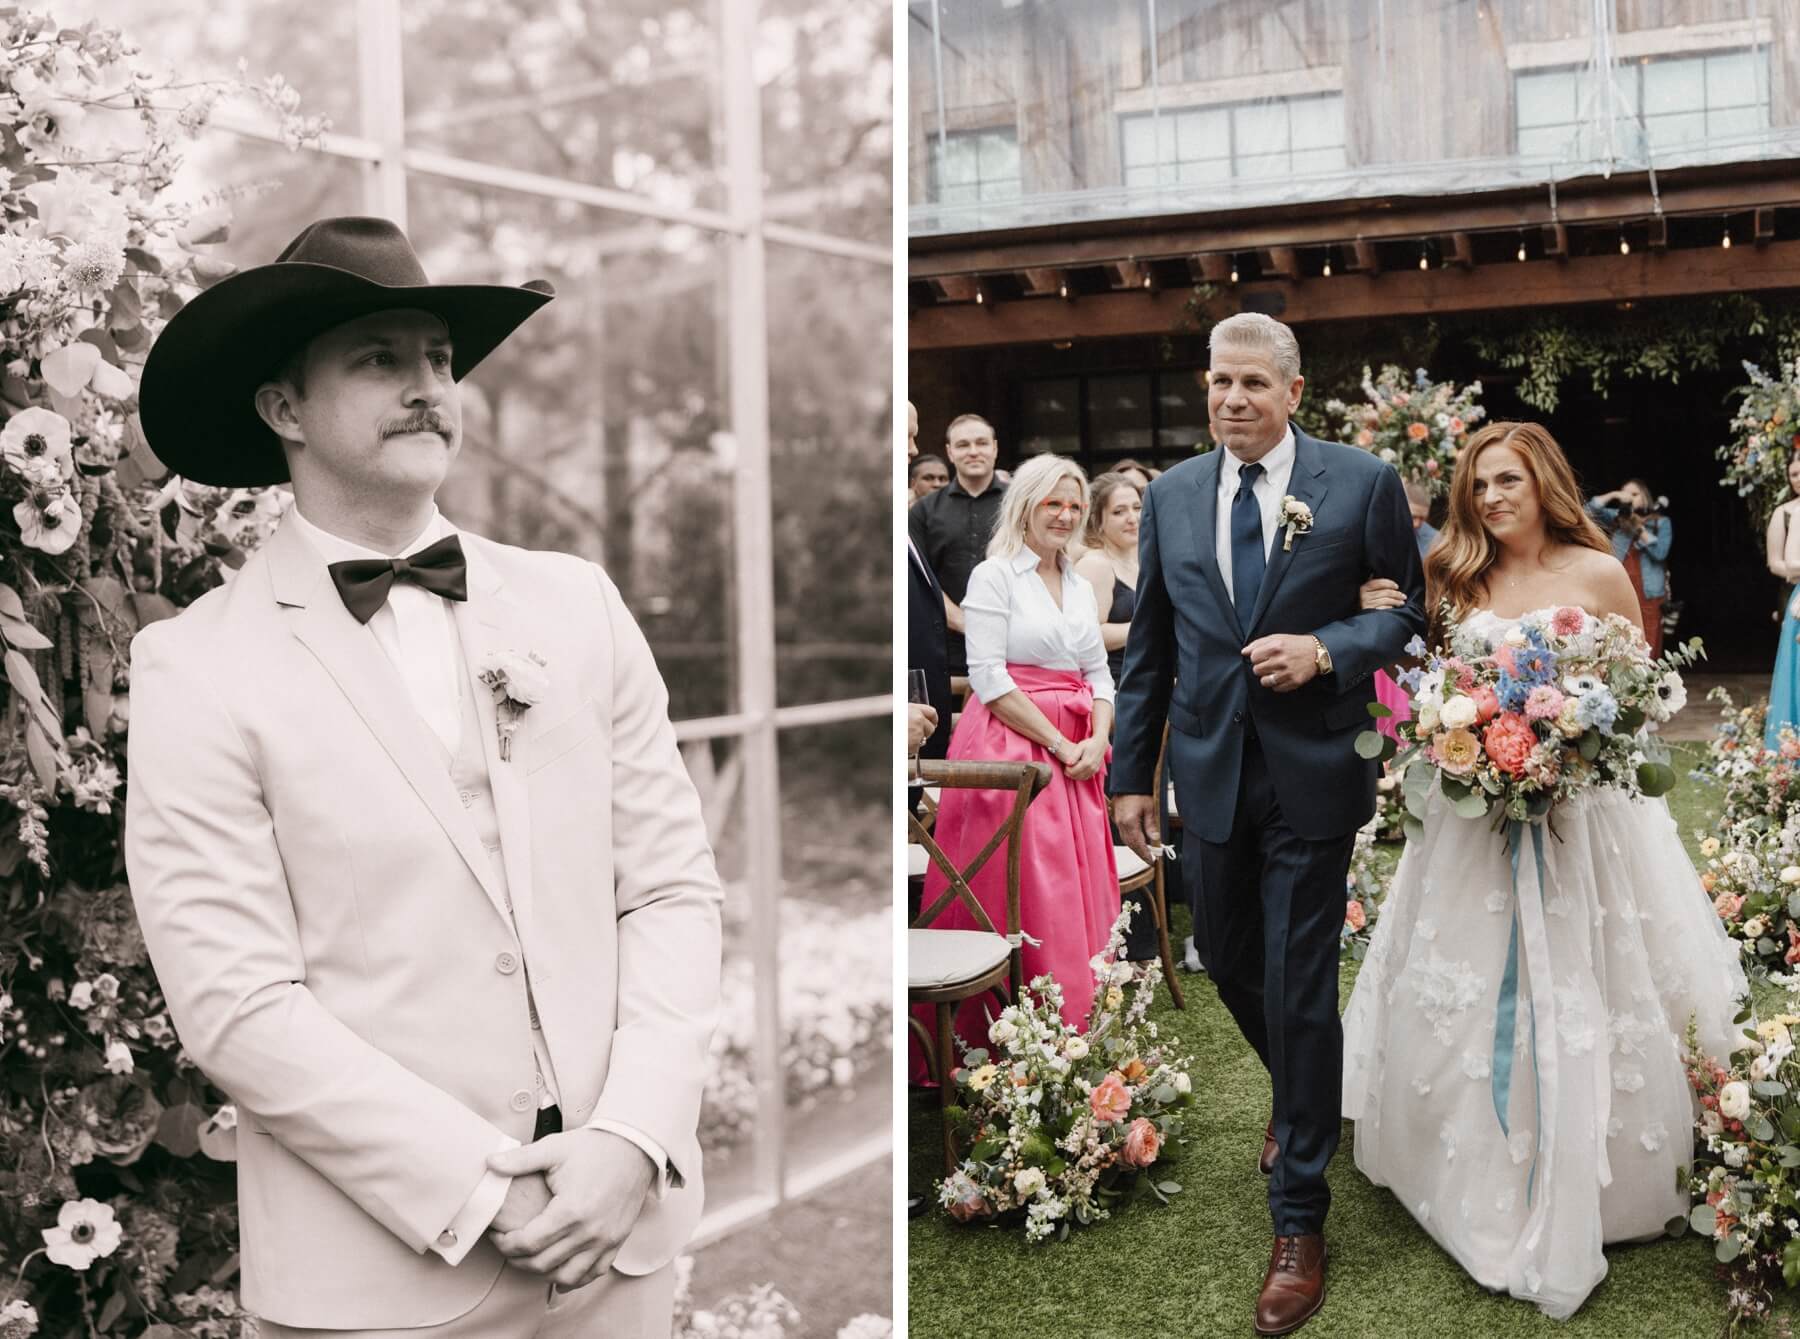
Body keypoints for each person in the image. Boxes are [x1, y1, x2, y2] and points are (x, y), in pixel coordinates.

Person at [124, 217, 722, 1338]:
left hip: (619, 1248)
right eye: (379, 359)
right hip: (382, 1279)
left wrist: (632, 1136)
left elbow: (669, 888)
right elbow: (236, 1000)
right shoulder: (193, 666)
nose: (427, 387)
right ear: (283, 409)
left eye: (439, 359)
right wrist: (481, 1186)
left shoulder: (575, 604)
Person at [1341, 422, 1745, 1320]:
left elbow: (1636, 706)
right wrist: (1462, 741)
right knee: (1470, 981)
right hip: (1477, 817)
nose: (1490, 497)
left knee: (1597, 975)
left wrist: (1565, 752)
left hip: (1584, 821)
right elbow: (1434, 683)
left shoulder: (1599, 573)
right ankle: (1470, 1154)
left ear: (1544, 482)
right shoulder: (1456, 575)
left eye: (1507, 480)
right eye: (1477, 484)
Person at [1111, 312, 1426, 1337]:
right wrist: (1131, 773)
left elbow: (1403, 615)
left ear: (1294, 391)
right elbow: (1150, 649)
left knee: (1296, 980)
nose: (1233, 399)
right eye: (1219, 382)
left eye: (1253, 382)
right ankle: (1306, 1097)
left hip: (1311, 774)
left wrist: (1328, 648)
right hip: (1206, 773)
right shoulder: (1166, 496)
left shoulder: (1360, 483)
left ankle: (1299, 1216)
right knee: (1227, 954)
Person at [911, 453, 1117, 1066]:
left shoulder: (1079, 584)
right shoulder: (994, 576)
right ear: (1026, 505)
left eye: (1074, 504)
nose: (1066, 514)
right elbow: (989, 678)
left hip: (1080, 746)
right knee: (1029, 884)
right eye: (1053, 502)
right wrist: (1057, 745)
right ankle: (1010, 1039)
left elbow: (1098, 671)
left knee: (1079, 884)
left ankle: (1080, 1022)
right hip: (1012, 745)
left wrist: (1098, 740)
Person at [909, 413, 1007, 680]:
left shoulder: (1019, 506)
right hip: (946, 649)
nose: (973, 452)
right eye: (963, 445)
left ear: (995, 448)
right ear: (950, 452)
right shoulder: (923, 512)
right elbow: (920, 581)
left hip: (1011, 647)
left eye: (981, 443)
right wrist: (964, 623)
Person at [1586, 479, 1672, 657]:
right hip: (1619, 588)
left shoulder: (1661, 523)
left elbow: (1660, 552)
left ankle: (1649, 683)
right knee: (1619, 640)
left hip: (1648, 592)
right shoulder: (1618, 517)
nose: (1629, 498)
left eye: (1634, 494)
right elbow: (1585, 512)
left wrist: (1638, 528)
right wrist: (1614, 495)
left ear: (1646, 497)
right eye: (1625, 494)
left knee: (1648, 642)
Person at [1766, 453, 1800, 745]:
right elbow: (1776, 562)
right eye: (1794, 474)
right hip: (1795, 590)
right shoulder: (1786, 513)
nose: (1798, 479)